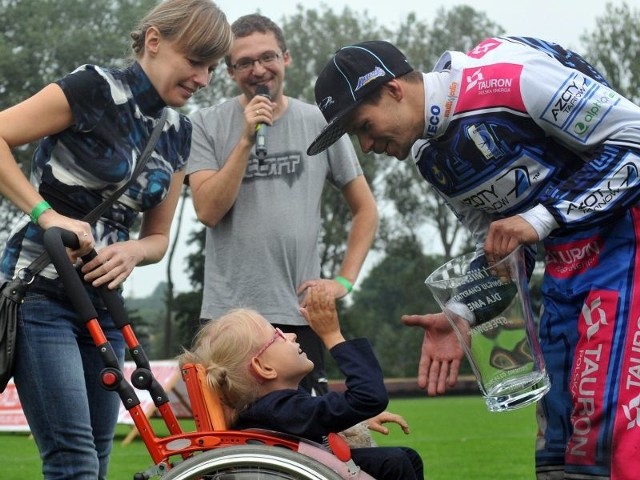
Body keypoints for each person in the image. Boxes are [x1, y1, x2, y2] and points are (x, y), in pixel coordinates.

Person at [306, 37, 640, 479]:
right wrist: (462, 311)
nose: (366, 146)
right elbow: (504, 250)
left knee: (603, 426)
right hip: (565, 268)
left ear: (393, 90)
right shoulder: (430, 160)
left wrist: (539, 218)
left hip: (628, 244)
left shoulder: (511, 81)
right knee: (558, 436)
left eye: (364, 126)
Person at [0, 1, 232, 478]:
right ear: (153, 41)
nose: (204, 79)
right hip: (42, 295)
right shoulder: (94, 88)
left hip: (105, 310)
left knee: (100, 458)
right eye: (195, 62)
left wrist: (132, 251)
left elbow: (159, 237)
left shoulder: (179, 133)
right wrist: (47, 214)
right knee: (74, 460)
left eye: (211, 68)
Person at [187, 13, 378, 396]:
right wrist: (244, 140)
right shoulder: (205, 124)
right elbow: (208, 211)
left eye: (268, 57)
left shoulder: (319, 122)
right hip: (227, 319)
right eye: (244, 62)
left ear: (286, 58)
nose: (258, 70)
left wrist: (343, 282)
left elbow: (366, 209)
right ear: (229, 71)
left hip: (298, 316)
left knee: (306, 440)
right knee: (228, 440)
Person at [178, 284, 424, 480]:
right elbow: (370, 397)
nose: (292, 334)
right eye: (277, 335)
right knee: (396, 462)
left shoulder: (273, 409)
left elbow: (317, 414)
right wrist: (332, 335)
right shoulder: (280, 409)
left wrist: (356, 417)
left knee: (404, 457)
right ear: (264, 368)